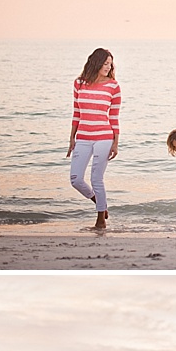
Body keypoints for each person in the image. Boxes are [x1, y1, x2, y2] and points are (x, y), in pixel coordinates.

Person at [67, 48, 121, 230]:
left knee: (97, 178)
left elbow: (114, 117)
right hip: (83, 137)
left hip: (104, 137)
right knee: (75, 179)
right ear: (96, 62)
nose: (108, 66)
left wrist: (115, 143)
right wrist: (71, 139)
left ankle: (100, 220)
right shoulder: (79, 83)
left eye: (110, 63)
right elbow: (76, 113)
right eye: (105, 63)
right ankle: (99, 202)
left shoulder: (113, 86)